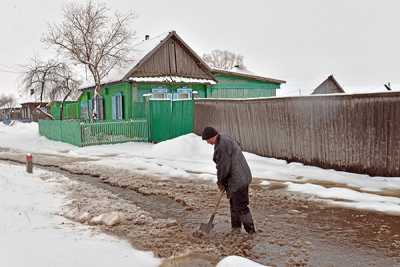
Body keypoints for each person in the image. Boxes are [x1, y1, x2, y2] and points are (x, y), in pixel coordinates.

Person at [202, 126, 255, 234]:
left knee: (241, 206)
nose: (208, 143)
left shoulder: (221, 146)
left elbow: (223, 167)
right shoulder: (224, 139)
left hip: (238, 179)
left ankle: (251, 232)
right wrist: (225, 181)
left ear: (212, 136)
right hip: (239, 176)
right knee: (234, 204)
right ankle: (236, 229)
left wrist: (221, 181)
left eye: (207, 140)